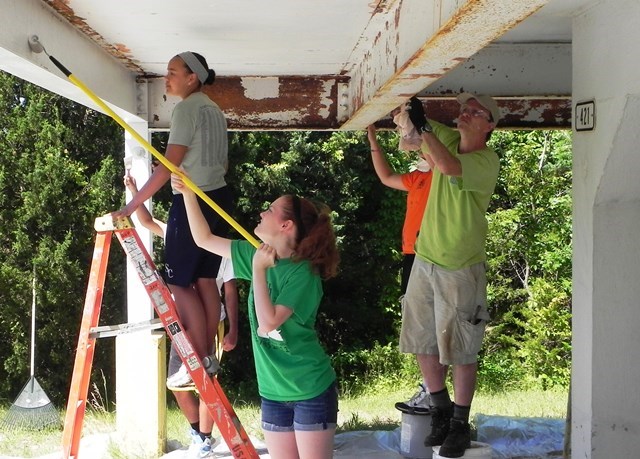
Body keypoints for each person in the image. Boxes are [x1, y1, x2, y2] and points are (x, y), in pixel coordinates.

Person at [172, 171, 340, 459]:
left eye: (271, 209)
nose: (262, 212)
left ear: (286, 225)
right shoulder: (256, 254)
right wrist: (188, 194)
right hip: (273, 391)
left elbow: (268, 322)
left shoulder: (303, 273)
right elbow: (203, 239)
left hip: (310, 389)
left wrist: (259, 270)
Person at [113, 51, 232, 384]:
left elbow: (168, 167)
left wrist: (131, 204)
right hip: (219, 198)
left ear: (192, 77)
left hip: (194, 201)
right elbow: (217, 164)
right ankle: (206, 357)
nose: (167, 79)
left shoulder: (186, 109)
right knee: (206, 280)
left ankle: (192, 361)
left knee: (179, 281)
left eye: (173, 73)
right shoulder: (214, 110)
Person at [400, 93, 500, 458]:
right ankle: (440, 410)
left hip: (461, 267)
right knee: (421, 340)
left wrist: (424, 128)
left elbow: (447, 166)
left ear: (489, 126)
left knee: (461, 348)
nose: (465, 114)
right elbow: (412, 135)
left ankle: (459, 421)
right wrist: (408, 118)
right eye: (464, 109)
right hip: (425, 259)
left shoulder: (487, 161)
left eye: (476, 112)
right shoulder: (445, 135)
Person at [124, 173, 239, 457]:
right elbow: (149, 223)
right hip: (180, 321)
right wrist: (134, 192)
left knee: (204, 378)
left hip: (210, 320)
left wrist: (234, 329)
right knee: (180, 381)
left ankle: (205, 437)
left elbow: (230, 288)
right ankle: (197, 432)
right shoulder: (179, 235)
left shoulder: (217, 244)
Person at [366, 121, 437, 415]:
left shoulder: (441, 176)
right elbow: (385, 176)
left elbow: (438, 156)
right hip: (412, 256)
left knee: (431, 326)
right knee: (419, 326)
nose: (412, 144)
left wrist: (421, 128)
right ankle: (431, 389)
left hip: (430, 256)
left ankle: (434, 392)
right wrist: (372, 139)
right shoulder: (418, 178)